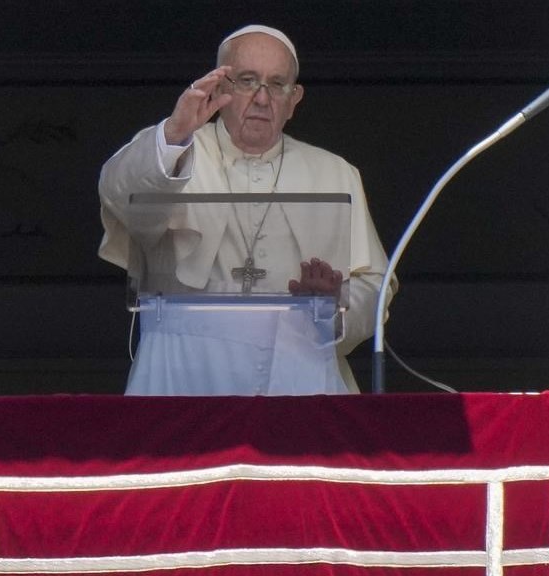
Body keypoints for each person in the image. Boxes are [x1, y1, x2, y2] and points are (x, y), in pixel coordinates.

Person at [98, 24, 393, 395]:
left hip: (297, 372)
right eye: (247, 80)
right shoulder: (173, 151)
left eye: (277, 84)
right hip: (187, 368)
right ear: (220, 87)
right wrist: (173, 133)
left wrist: (334, 304)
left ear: (294, 99)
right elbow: (118, 195)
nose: (262, 98)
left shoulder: (335, 172)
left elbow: (374, 285)